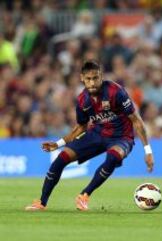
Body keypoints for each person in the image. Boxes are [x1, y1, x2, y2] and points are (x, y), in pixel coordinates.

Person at [25, 60, 154, 211]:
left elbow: (136, 121)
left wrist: (148, 151)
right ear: (82, 78)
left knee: (113, 156)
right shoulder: (82, 100)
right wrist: (58, 144)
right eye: (88, 79)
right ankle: (42, 202)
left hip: (122, 137)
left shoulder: (116, 91)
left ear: (101, 77)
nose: (92, 83)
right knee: (61, 158)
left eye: (95, 78)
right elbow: (81, 127)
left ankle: (84, 195)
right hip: (97, 134)